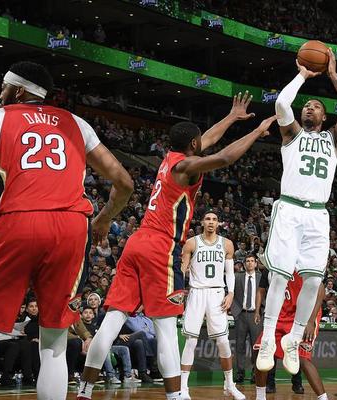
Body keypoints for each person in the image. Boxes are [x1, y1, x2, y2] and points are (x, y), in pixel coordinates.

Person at [0, 61, 134, 400]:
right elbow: (124, 182)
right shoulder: (77, 123)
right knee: (54, 339)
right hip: (72, 227)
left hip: (22, 219)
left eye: (3, 88)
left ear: (19, 91)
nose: (0, 94)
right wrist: (104, 218)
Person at [77, 92, 277, 400]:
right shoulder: (185, 168)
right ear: (193, 144)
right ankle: (175, 396)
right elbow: (225, 157)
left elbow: (208, 139)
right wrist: (256, 131)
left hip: (137, 242)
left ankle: (85, 390)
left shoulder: (171, 159)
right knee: (167, 331)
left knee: (113, 320)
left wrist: (231, 117)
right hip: (161, 246)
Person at [256, 51, 337, 375]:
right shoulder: (292, 134)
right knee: (279, 275)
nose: (308, 108)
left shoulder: (334, 139)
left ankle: (294, 339)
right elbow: (281, 104)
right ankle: (268, 338)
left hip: (317, 215)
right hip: (289, 208)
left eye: (315, 106)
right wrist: (302, 75)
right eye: (306, 106)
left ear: (324, 117)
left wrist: (333, 74)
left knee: (313, 280)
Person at [179, 211, 244, 400]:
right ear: (202, 222)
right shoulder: (191, 243)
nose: (211, 222)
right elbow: (182, 270)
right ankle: (183, 388)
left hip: (217, 293)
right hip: (196, 292)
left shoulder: (227, 244)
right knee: (191, 341)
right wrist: (178, 289)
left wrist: (231, 293)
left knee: (223, 341)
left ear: (218, 223)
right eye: (208, 219)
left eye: (214, 219)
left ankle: (229, 385)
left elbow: (229, 273)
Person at [254, 272, 326, 400]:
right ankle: (260, 397)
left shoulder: (304, 263)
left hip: (304, 314)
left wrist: (311, 321)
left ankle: (323, 398)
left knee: (303, 359)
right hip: (282, 312)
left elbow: (320, 288)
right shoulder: (276, 264)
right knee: (260, 350)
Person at [231, 255, 261, 384]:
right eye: (247, 261)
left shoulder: (261, 277)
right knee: (240, 345)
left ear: (256, 263)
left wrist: (261, 311)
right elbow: (230, 293)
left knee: (256, 346)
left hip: (256, 315)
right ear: (244, 264)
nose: (250, 263)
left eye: (252, 261)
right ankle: (240, 373)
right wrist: (235, 313)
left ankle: (256, 372)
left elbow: (266, 294)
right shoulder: (237, 277)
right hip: (241, 315)